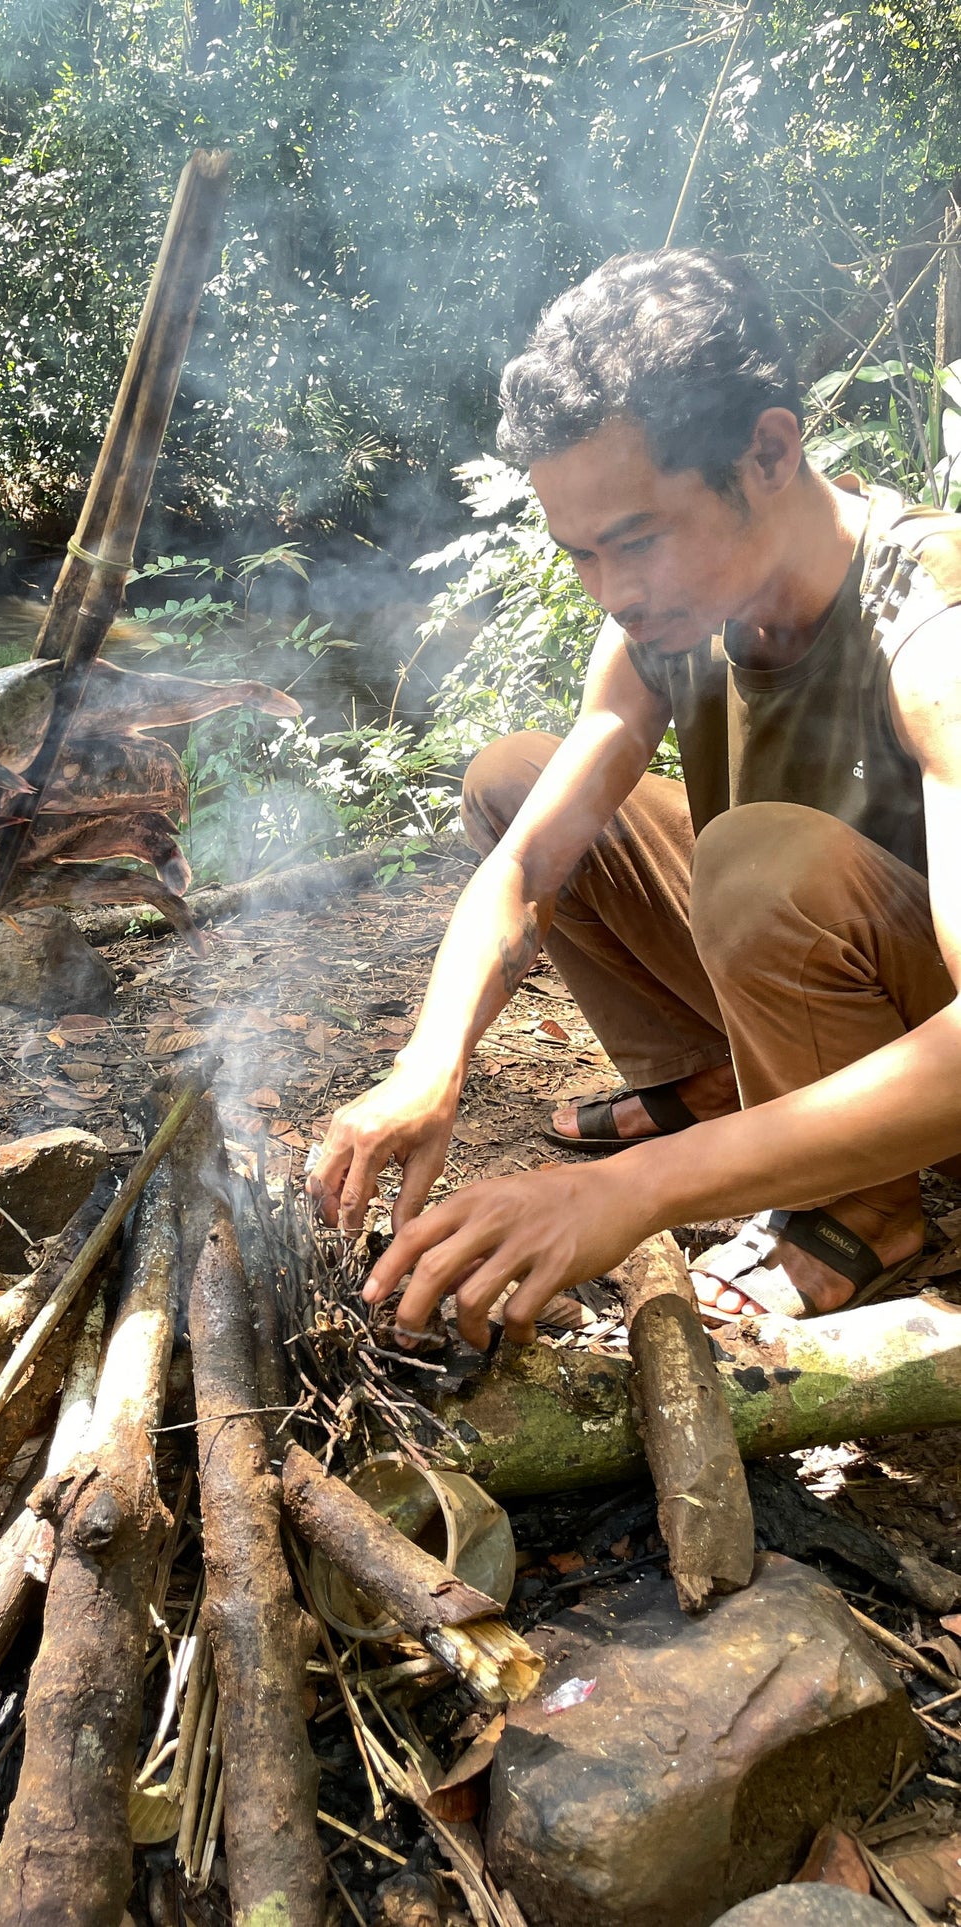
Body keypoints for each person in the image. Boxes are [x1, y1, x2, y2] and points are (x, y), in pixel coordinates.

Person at [307, 248, 961, 1346]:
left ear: (765, 451)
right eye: (578, 554)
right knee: (512, 780)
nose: (610, 591)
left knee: (760, 861)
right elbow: (524, 866)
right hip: (812, 992)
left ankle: (862, 1214)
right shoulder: (670, 617)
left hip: (921, 1076)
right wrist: (427, 1062)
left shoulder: (929, 630)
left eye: (636, 540)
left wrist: (633, 1190)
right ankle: (712, 1082)